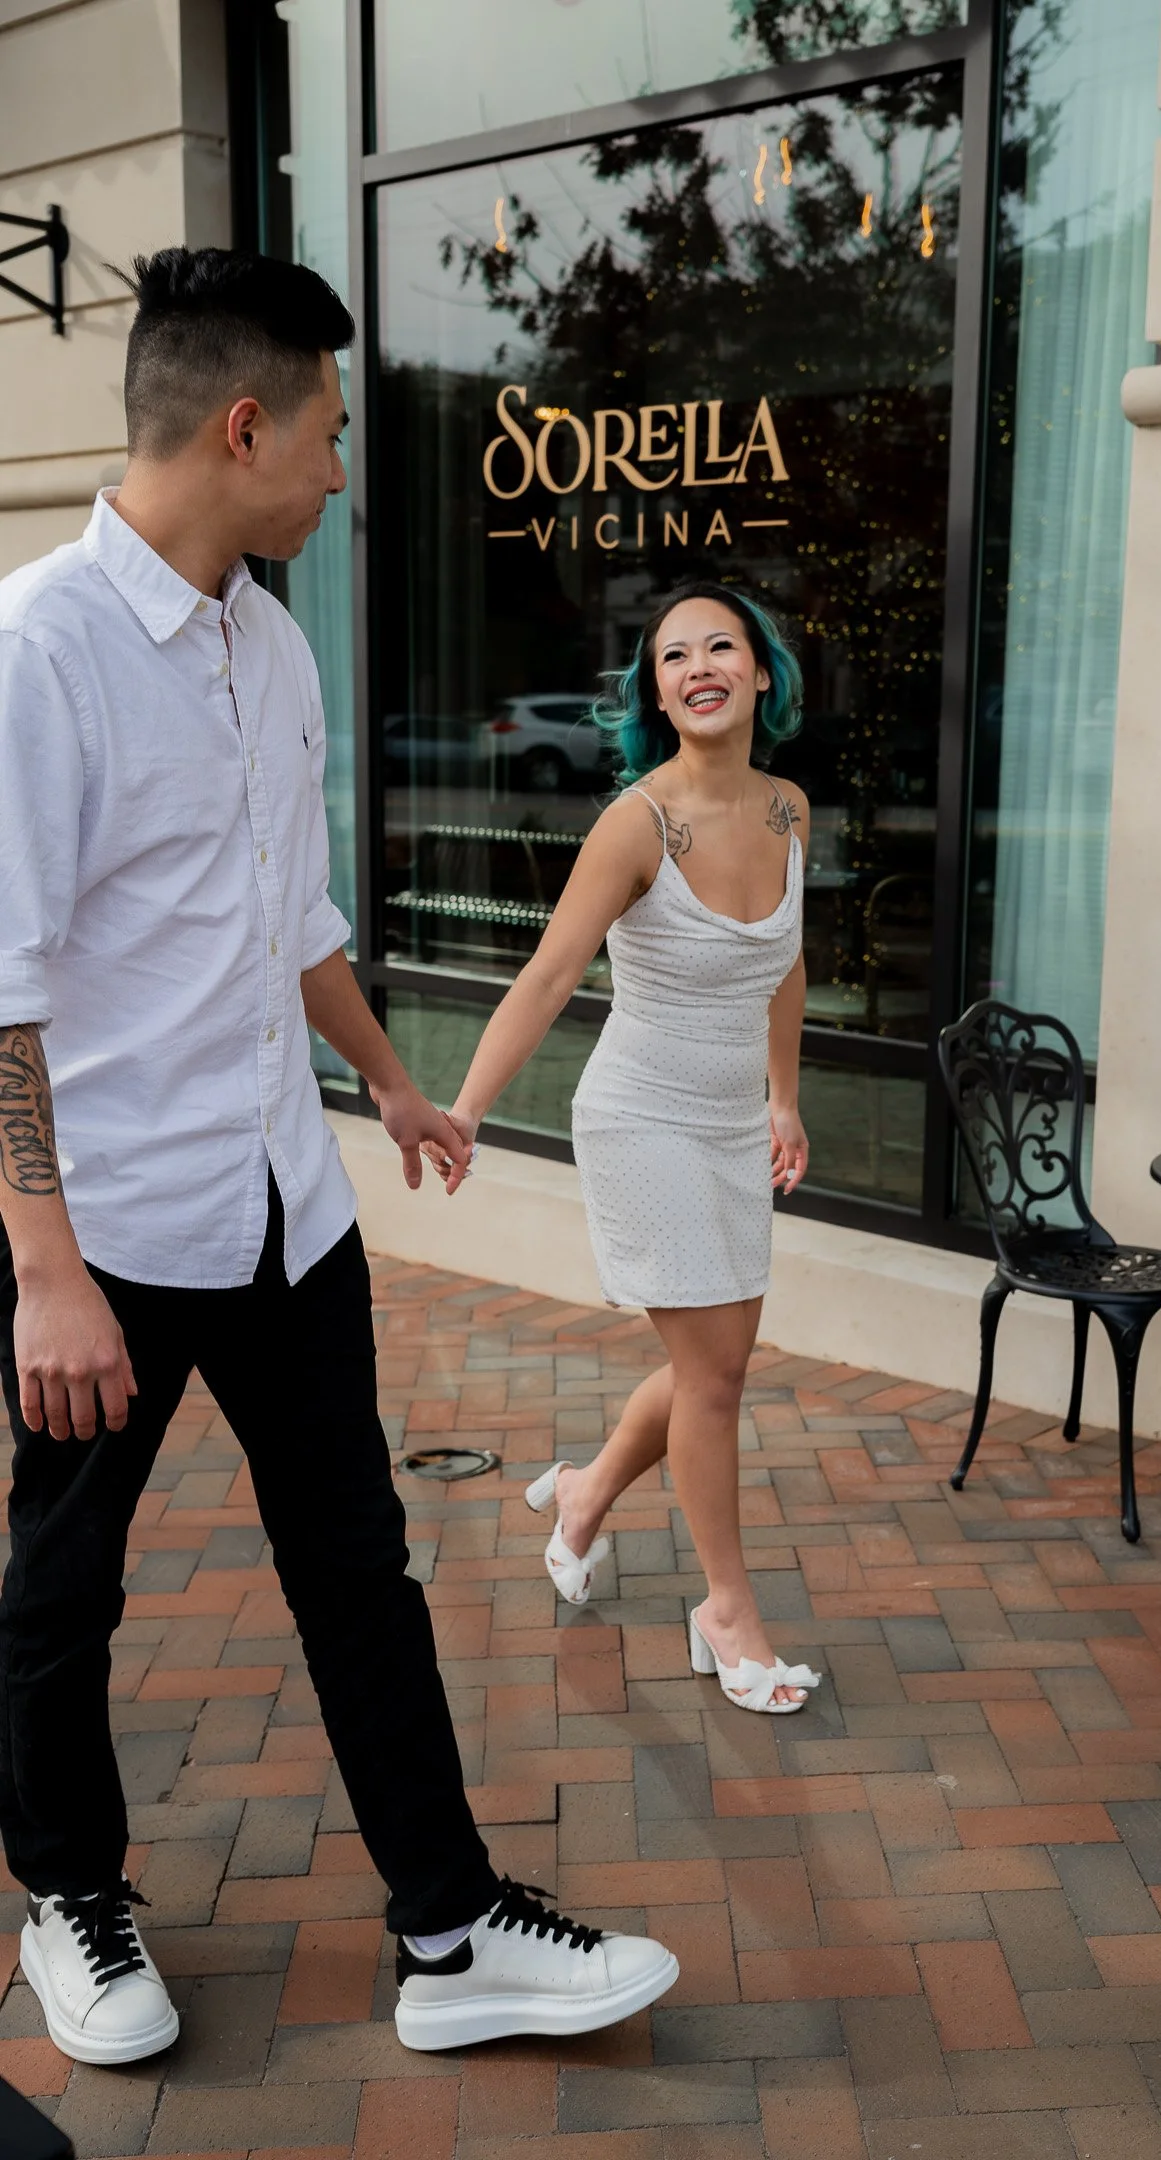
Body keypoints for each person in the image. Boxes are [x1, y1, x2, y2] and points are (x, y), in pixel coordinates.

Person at [0, 246, 676, 2066]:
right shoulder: (34, 651)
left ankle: (452, 1937)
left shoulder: (272, 644)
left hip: (284, 1205)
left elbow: (289, 916)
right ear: (243, 424)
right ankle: (68, 1896)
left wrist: (386, 1080)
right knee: (63, 1585)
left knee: (360, 1566)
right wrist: (44, 1273)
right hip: (113, 1234)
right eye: (327, 432)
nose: (339, 469)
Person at [434, 581, 823, 1716]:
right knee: (714, 1380)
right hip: (641, 1117)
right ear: (656, 691)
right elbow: (550, 975)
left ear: (760, 672)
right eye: (673, 656)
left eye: (721, 647)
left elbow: (788, 965)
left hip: (728, 1122)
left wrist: (783, 1100)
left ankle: (587, 1493)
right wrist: (465, 1111)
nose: (699, 666)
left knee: (718, 1369)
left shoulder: (790, 809)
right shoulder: (637, 822)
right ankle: (729, 1613)